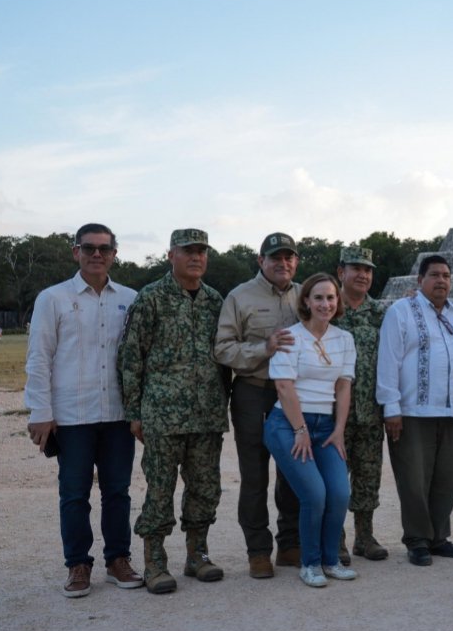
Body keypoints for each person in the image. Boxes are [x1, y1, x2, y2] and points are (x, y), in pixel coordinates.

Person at [25, 222, 142, 597]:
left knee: (118, 492)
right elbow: (39, 357)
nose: (96, 254)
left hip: (117, 414)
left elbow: (138, 358)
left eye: (104, 249)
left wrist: (140, 411)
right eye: (88, 247)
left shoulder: (130, 298)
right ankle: (78, 564)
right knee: (74, 494)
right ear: (75, 252)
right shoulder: (53, 298)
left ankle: (117, 560)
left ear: (114, 254)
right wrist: (40, 411)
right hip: (72, 416)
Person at [118, 229, 231, 594]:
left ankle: (197, 555)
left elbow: (226, 355)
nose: (196, 258)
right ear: (171, 255)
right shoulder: (151, 298)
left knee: (204, 488)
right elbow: (131, 358)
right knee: (160, 490)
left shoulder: (216, 301)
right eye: (188, 251)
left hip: (207, 415)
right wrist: (135, 412)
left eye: (201, 252)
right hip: (163, 416)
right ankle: (155, 562)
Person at [214, 233, 303, 579]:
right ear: (260, 261)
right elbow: (222, 348)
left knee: (293, 470)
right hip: (253, 390)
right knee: (255, 476)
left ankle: (291, 543)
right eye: (275, 257)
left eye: (289, 257)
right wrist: (262, 349)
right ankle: (258, 551)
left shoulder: (304, 294)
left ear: (295, 261)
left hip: (293, 394)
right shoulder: (240, 297)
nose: (283, 263)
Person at [263, 273, 358, 588]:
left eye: (331, 297)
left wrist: (340, 429)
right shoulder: (291, 336)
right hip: (287, 424)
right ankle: (311, 562)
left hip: (326, 426)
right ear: (306, 301)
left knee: (340, 493)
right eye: (318, 297)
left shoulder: (344, 339)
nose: (325, 304)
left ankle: (331, 560)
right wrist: (300, 429)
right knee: (314, 495)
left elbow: (343, 387)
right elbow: (284, 386)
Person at [377, 255, 453, 566]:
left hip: (449, 411)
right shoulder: (401, 312)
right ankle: (417, 539)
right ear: (420, 281)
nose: (441, 280)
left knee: (448, 477)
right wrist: (391, 408)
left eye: (446, 275)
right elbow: (389, 361)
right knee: (414, 479)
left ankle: (438, 536)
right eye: (434, 275)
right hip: (411, 411)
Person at [333, 246, 389, 561]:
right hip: (332, 414)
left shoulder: (381, 313)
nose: (363, 275)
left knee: (368, 476)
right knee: (335, 479)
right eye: (356, 268)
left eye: (368, 270)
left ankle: (364, 537)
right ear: (341, 272)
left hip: (369, 411)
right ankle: (337, 539)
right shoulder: (327, 308)